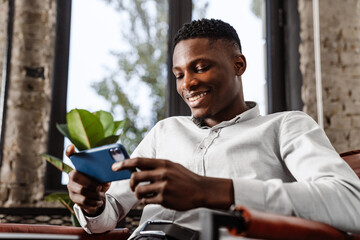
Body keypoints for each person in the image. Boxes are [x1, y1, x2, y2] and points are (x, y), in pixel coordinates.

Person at [67, 19, 360, 239]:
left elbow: (352, 203)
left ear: (238, 65)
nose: (187, 84)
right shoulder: (164, 131)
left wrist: (210, 190)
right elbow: (108, 215)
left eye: (200, 67)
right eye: (179, 74)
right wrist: (93, 204)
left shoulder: (286, 126)